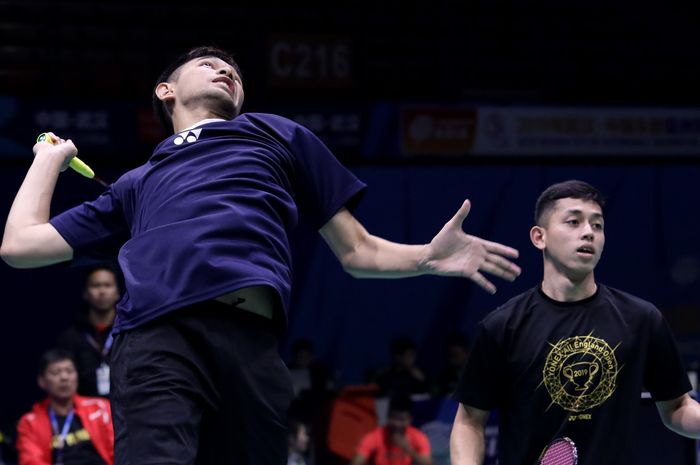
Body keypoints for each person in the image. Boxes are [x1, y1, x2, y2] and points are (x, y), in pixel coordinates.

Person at [0, 46, 521, 465]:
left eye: (233, 69)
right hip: (159, 338)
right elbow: (20, 246)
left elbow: (358, 251)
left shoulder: (274, 134)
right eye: (207, 64)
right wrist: (50, 159)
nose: (226, 69)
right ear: (166, 91)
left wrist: (426, 256)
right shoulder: (136, 183)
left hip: (253, 347)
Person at [449, 180, 700, 465]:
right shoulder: (502, 327)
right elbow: (470, 421)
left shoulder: (642, 320)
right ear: (539, 237)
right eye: (573, 221)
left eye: (597, 225)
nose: (588, 233)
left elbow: (677, 407)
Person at [16, 349, 114, 465]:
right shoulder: (29, 423)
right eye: (55, 373)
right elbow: (31, 461)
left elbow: (119, 450)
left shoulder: (101, 408)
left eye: (69, 371)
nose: (64, 377)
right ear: (42, 381)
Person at [57, 264, 121, 397]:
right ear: (86, 293)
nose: (102, 291)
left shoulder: (128, 333)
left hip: (125, 409)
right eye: (96, 285)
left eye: (107, 285)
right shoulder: (71, 337)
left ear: (117, 293)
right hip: (85, 412)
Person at [351, 395, 431, 465]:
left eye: (402, 420)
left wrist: (409, 449)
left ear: (410, 420)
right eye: (393, 418)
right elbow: (357, 462)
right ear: (387, 416)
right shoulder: (374, 436)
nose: (397, 424)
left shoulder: (418, 437)